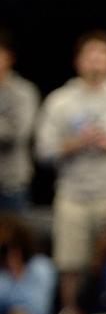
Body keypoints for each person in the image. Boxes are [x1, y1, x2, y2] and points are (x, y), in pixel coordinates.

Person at [35, 31, 106, 314]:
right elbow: (43, 151)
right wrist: (77, 143)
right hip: (72, 193)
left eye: (103, 54)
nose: (97, 60)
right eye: (91, 54)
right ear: (78, 61)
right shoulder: (60, 101)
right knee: (70, 261)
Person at [0, 30, 40, 212]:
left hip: (12, 184)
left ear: (8, 57)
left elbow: (18, 134)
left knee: (15, 230)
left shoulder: (24, 92)